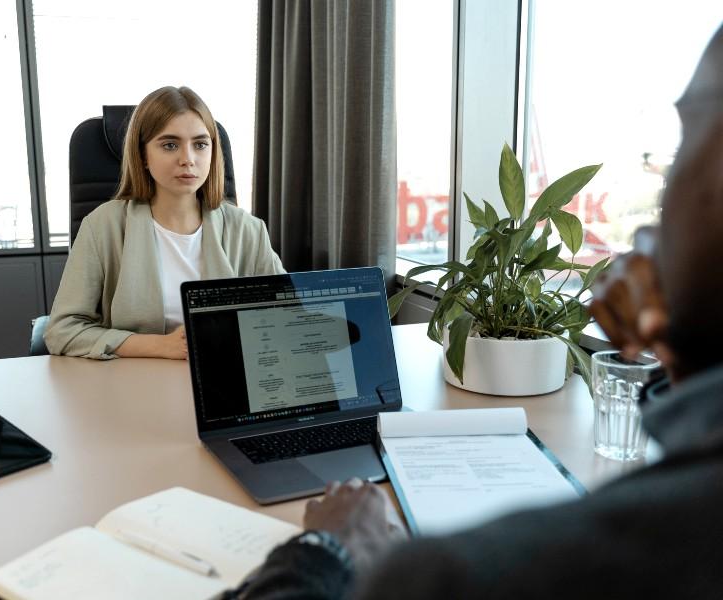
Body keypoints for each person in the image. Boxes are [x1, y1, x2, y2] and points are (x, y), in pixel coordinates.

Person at [228, 24, 723, 599]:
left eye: (685, 141)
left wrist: (320, 550)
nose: (656, 210)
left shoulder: (459, 575)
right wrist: (685, 342)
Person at [45, 86, 284, 360]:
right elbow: (62, 330)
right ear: (143, 155)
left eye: (200, 144)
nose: (188, 159)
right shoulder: (103, 226)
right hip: (131, 382)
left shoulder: (248, 230)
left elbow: (288, 315)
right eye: (170, 145)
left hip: (224, 379)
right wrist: (161, 346)